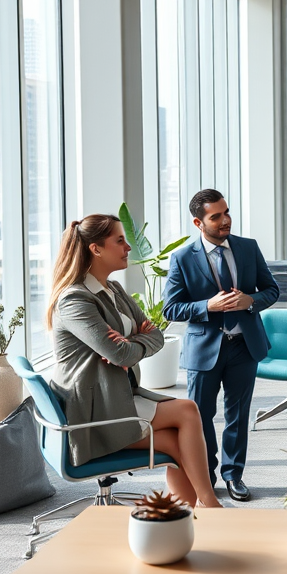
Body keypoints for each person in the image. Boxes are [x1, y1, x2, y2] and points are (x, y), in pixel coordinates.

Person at [48, 214, 222, 509]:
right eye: (119, 240)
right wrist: (127, 349)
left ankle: (185, 518)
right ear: (96, 249)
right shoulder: (75, 301)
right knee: (188, 411)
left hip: (119, 396)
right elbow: (121, 355)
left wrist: (131, 344)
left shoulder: (113, 289)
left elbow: (154, 331)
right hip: (94, 414)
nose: (128, 247)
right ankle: (210, 506)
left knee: (175, 442)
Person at [163, 189, 279, 502]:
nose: (225, 220)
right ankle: (206, 476)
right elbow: (170, 309)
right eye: (216, 216)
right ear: (198, 222)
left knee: (238, 415)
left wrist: (251, 299)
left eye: (226, 212)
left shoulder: (247, 247)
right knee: (199, 417)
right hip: (204, 349)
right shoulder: (183, 258)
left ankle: (233, 475)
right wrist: (207, 307)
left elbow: (272, 290)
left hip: (245, 345)